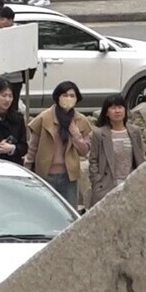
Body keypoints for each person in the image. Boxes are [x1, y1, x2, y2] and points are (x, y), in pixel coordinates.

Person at [24, 81, 93, 209]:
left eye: (72, 96)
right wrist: (27, 170)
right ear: (57, 97)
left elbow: (84, 151)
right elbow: (32, 147)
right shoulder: (44, 118)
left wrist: (76, 135)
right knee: (45, 211)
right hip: (46, 174)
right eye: (65, 95)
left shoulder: (80, 120)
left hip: (69, 176)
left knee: (68, 211)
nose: (68, 99)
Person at [87, 94, 144, 209]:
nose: (117, 111)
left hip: (130, 181)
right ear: (106, 112)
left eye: (120, 107)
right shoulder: (99, 134)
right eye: (113, 108)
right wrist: (96, 181)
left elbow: (140, 155)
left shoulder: (134, 131)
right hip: (107, 184)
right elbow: (93, 160)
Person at [0, 6, 28, 106]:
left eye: (2, 19)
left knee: (11, 105)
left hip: (13, 78)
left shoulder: (18, 33)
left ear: (11, 20)